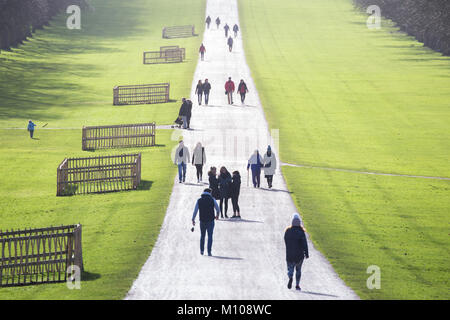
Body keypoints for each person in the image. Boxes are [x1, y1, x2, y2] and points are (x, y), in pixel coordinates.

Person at [192, 188, 220, 256]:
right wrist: (217, 215)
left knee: (202, 236)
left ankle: (202, 251)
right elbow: (218, 209)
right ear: (210, 193)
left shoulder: (199, 200)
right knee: (210, 236)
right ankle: (209, 251)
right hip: (210, 220)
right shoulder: (212, 199)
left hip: (202, 220)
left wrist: (193, 219)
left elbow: (195, 211)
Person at [284, 213, 309, 290]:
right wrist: (306, 253)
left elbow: (285, 241)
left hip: (290, 255)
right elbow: (305, 244)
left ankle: (290, 276)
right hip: (299, 255)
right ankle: (297, 285)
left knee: (290, 268)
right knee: (298, 270)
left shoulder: (287, 231)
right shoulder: (301, 232)